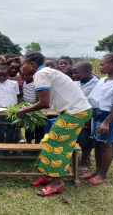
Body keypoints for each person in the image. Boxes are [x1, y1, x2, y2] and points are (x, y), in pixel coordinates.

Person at [16, 51, 92, 197]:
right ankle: (48, 176)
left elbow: (43, 102)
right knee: (51, 142)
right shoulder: (46, 72)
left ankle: (57, 183)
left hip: (75, 112)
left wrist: (24, 111)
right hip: (72, 111)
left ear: (32, 64)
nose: (21, 69)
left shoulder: (41, 74)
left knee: (58, 146)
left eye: (22, 65)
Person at [80, 53, 113, 186]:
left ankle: (103, 175)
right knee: (97, 143)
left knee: (106, 145)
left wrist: (107, 122)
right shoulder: (103, 80)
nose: (99, 67)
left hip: (107, 116)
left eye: (102, 64)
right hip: (96, 114)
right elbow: (93, 98)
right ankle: (97, 171)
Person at [72, 61, 99, 174]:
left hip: (89, 116)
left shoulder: (97, 84)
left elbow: (97, 101)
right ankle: (73, 159)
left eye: (76, 73)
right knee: (74, 138)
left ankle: (83, 162)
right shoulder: (75, 82)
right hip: (74, 114)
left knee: (86, 140)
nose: (73, 75)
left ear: (87, 71)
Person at [0, 64, 21, 143]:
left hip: (12, 110)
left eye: (4, 75)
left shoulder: (14, 83)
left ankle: (9, 149)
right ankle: (1, 149)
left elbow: (17, 96)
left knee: (11, 130)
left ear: (8, 74)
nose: (1, 77)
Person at [21, 69, 44, 144]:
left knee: (38, 127)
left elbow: (39, 96)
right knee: (28, 127)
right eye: (24, 75)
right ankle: (29, 143)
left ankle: (37, 143)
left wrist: (35, 105)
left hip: (36, 107)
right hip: (26, 107)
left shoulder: (36, 83)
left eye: (28, 75)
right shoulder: (24, 82)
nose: (25, 76)